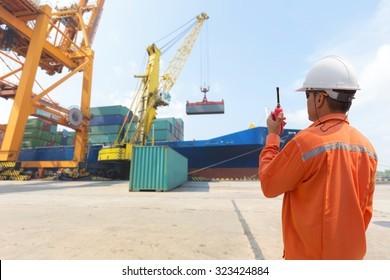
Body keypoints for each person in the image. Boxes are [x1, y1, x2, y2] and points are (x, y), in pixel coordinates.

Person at [258, 55, 378, 260]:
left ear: (320, 98)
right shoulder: (367, 148)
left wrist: (273, 136)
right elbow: (365, 211)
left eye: (308, 95)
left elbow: (269, 185)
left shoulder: (306, 142)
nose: (307, 101)